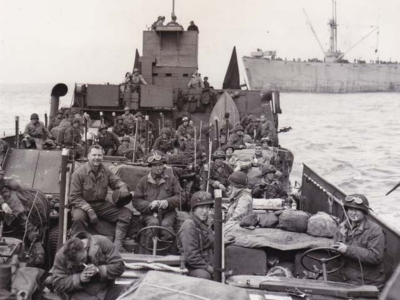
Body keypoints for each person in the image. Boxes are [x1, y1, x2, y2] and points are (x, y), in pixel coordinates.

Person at [69, 145, 133, 252]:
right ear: (88, 156)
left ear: (102, 157)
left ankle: (117, 245)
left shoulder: (105, 170)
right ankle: (79, 248)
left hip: (101, 204)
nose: (97, 157)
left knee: (126, 214)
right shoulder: (79, 173)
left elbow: (115, 181)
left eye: (99, 155)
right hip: (82, 205)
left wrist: (123, 187)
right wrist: (88, 209)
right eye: (94, 155)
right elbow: (74, 196)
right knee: (78, 218)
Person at [330, 194, 385, 290]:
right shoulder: (342, 226)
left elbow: (375, 256)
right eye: (350, 209)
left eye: (357, 210)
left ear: (364, 212)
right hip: (345, 275)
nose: (353, 213)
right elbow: (336, 249)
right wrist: (333, 250)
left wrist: (347, 249)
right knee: (321, 281)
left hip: (367, 280)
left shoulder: (375, 230)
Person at [52, 232, 125, 300]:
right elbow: (57, 284)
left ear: (85, 248)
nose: (81, 264)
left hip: (105, 291)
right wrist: (79, 278)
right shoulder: (61, 256)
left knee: (131, 291)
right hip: (78, 295)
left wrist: (98, 270)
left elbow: (119, 267)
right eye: (76, 264)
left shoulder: (103, 242)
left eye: (82, 260)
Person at [132, 150, 181, 247]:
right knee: (153, 224)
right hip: (149, 214)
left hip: (168, 213)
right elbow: (136, 201)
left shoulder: (172, 179)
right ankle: (148, 251)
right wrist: (149, 205)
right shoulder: (143, 181)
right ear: (150, 166)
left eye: (160, 164)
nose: (158, 168)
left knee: (166, 225)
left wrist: (168, 202)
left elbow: (180, 197)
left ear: (164, 165)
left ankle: (168, 251)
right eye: (154, 165)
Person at [0, 168, 45, 266]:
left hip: (6, 196)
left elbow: (12, 184)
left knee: (15, 204)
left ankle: (34, 240)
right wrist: (2, 203)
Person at [178, 191, 214, 280]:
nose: (205, 211)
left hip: (204, 262)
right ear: (194, 209)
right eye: (201, 207)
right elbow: (192, 257)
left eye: (207, 207)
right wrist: (210, 269)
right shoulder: (189, 226)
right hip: (191, 267)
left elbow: (209, 242)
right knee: (205, 276)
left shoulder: (204, 224)